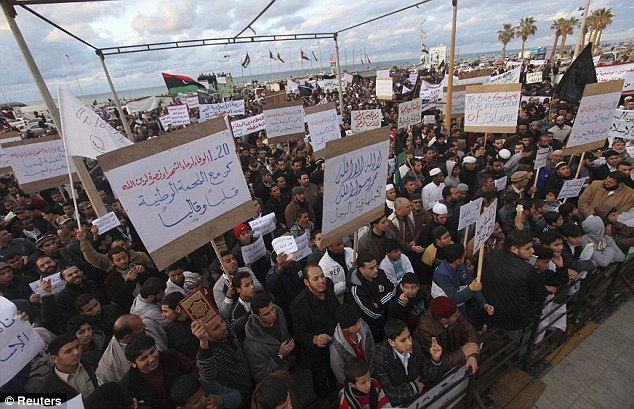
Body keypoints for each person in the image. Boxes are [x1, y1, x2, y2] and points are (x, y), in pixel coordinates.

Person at [290, 264, 339, 403]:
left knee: (335, 374)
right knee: (320, 381)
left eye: (322, 276)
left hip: (335, 344)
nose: (321, 281)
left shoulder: (329, 288)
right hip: (315, 353)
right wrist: (315, 339)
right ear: (307, 282)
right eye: (316, 278)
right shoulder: (298, 305)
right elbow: (298, 334)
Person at [481, 231, 548, 331]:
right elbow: (540, 295)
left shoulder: (490, 257)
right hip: (519, 319)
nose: (532, 251)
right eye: (528, 248)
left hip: (493, 314)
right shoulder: (527, 270)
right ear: (514, 249)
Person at [372, 319, 444, 407]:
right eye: (403, 340)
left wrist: (436, 360)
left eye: (409, 336)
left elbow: (429, 377)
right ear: (391, 342)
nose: (409, 343)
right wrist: (414, 387)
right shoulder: (380, 358)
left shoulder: (416, 346)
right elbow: (389, 393)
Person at [191, 308, 253, 406]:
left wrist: (250, 313)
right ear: (207, 334)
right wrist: (203, 342)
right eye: (216, 328)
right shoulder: (210, 354)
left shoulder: (227, 331)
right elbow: (207, 376)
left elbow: (235, 326)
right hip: (239, 398)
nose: (223, 327)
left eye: (222, 321)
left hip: (250, 384)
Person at [120, 334, 198, 409]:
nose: (151, 359)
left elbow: (193, 370)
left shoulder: (173, 357)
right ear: (132, 363)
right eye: (144, 358)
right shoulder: (127, 384)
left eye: (152, 352)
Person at [431, 243, 493, 326]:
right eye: (463, 255)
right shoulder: (441, 275)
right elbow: (454, 298)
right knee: (455, 326)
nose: (465, 256)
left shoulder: (461, 265)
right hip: (447, 308)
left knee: (463, 323)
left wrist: (484, 303)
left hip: (461, 301)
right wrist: (470, 289)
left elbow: (472, 283)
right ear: (458, 261)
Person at [414, 297, 480, 373]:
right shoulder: (426, 330)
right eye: (455, 315)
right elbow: (438, 360)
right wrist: (462, 353)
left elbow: (469, 331)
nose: (459, 315)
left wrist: (473, 355)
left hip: (456, 354)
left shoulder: (453, 313)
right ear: (444, 321)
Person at [243, 293, 294, 382]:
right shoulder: (253, 347)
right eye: (266, 314)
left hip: (288, 366)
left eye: (272, 309)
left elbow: (285, 331)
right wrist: (279, 355)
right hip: (277, 380)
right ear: (256, 316)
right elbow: (259, 375)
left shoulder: (278, 311)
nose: (273, 314)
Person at [348, 252, 397, 339]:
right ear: (362, 270)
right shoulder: (357, 290)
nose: (376, 270)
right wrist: (386, 303)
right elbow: (372, 314)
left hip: (388, 318)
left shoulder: (380, 274)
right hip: (373, 329)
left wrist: (379, 303)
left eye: (376, 266)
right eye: (371, 268)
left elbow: (393, 289)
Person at [38, 332, 97, 399]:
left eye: (77, 347)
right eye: (69, 351)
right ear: (54, 359)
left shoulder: (94, 361)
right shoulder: (48, 389)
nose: (76, 352)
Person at [329, 303, 376, 385]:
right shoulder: (336, 347)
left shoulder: (364, 327)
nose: (359, 326)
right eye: (354, 325)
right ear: (345, 329)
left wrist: (370, 375)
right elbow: (339, 372)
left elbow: (371, 349)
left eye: (358, 321)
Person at [160, 292, 199, 360]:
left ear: (177, 309)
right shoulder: (170, 330)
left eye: (165, 311)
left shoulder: (198, 318)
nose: (163, 315)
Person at [170, 374, 242, 409]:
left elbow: (238, 397)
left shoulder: (206, 384)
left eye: (203, 394)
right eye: (196, 401)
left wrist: (221, 400)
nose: (204, 399)